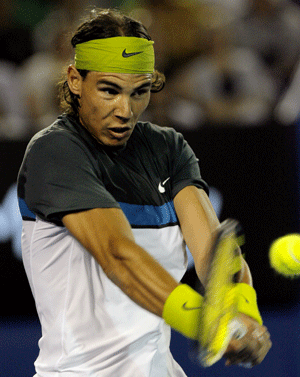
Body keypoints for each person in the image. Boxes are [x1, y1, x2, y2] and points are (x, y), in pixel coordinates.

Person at [17, 8, 271, 377]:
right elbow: (118, 255)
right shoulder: (53, 152)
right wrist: (205, 323)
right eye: (109, 90)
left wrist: (243, 310)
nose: (125, 109)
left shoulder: (168, 148)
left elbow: (214, 252)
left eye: (140, 91)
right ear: (75, 80)